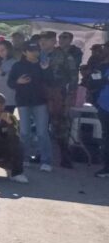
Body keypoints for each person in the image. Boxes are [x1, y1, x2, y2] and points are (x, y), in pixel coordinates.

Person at [8, 41, 54, 172]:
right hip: (23, 102)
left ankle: (46, 161)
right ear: (24, 52)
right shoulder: (17, 66)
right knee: (24, 132)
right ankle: (24, 158)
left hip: (40, 102)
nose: (35, 53)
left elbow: (51, 82)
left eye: (36, 50)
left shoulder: (43, 64)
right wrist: (18, 81)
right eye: (31, 50)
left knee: (42, 132)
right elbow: (10, 83)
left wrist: (46, 70)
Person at [39, 31, 77, 168]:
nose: (43, 43)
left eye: (47, 40)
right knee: (41, 125)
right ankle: (41, 154)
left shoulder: (64, 56)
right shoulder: (37, 55)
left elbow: (73, 77)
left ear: (54, 41)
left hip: (58, 95)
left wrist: (70, 96)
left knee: (60, 125)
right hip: (40, 94)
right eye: (41, 40)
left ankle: (65, 156)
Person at [85, 49, 109, 178]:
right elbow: (91, 83)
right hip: (104, 106)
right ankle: (107, 168)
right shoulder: (101, 67)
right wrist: (104, 80)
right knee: (107, 137)